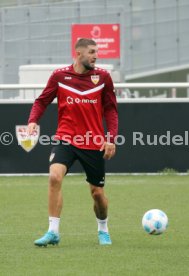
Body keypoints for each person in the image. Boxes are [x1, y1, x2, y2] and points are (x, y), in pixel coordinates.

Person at [28, 38, 118, 247]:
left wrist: (110, 138)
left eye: (97, 52)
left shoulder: (103, 77)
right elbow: (42, 100)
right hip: (66, 138)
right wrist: (33, 121)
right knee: (54, 176)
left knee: (97, 194)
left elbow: (111, 110)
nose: (96, 56)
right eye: (92, 52)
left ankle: (103, 228)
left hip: (93, 142)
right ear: (78, 53)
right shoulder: (60, 76)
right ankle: (53, 231)